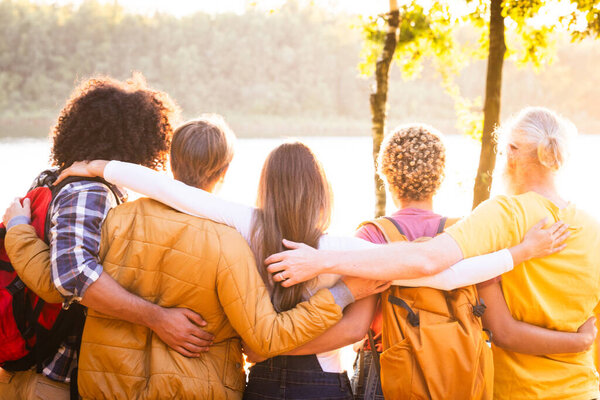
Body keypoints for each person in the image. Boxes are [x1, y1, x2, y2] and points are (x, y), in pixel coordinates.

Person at [57, 138, 567, 399]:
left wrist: (99, 168)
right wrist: (517, 254)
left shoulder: (244, 226)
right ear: (320, 189)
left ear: (265, 186)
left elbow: (176, 192)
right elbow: (438, 273)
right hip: (319, 385)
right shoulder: (338, 246)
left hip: (259, 377)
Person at [4, 116, 388, 399]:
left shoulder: (117, 221)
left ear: (170, 162)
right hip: (195, 390)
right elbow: (266, 335)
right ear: (223, 172)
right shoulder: (230, 243)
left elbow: (58, 283)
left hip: (109, 385)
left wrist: (19, 228)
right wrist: (341, 295)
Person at [264, 108, 600, 400]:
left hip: (400, 372)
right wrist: (578, 342)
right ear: (440, 177)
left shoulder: (376, 235)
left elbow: (360, 323)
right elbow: (489, 312)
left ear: (385, 175)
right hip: (474, 371)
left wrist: (274, 344)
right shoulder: (586, 228)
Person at [0, 76, 212, 400]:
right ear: (142, 141)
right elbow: (73, 275)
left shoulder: (52, 179)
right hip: (50, 380)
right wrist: (159, 319)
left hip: (25, 366)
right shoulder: (92, 191)